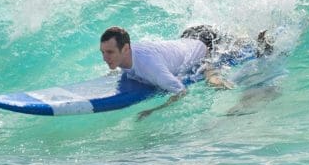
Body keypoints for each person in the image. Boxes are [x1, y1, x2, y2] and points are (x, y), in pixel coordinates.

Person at [100, 25, 273, 120]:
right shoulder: (126, 54)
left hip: (207, 42)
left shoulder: (152, 68)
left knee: (214, 72)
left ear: (126, 49)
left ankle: (259, 42)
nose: (105, 58)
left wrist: (154, 110)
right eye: (103, 52)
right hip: (189, 36)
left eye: (109, 53)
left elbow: (182, 91)